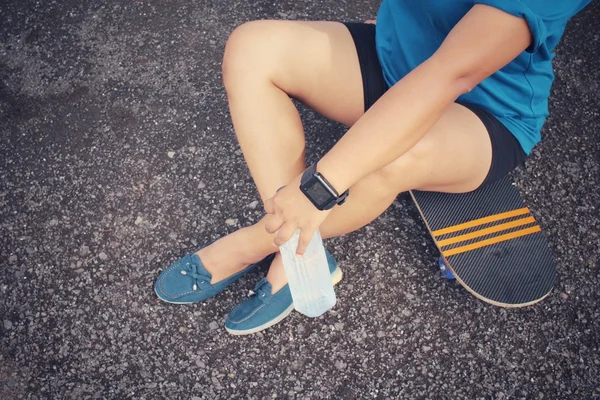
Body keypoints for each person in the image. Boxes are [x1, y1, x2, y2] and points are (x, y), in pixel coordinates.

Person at [154, 0, 593, 335]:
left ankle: (261, 244)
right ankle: (301, 249)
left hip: (483, 112)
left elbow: (451, 74)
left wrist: (319, 190)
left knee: (394, 155)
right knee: (253, 48)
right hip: (393, 65)